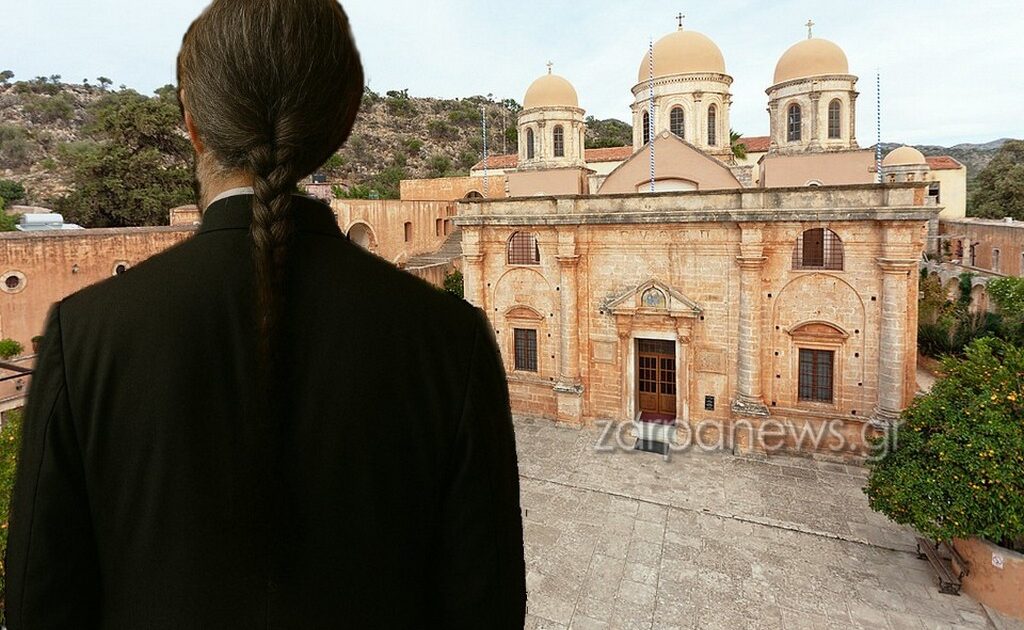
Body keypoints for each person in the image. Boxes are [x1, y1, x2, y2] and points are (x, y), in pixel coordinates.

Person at [3, 1, 526, 627]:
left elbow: (40, 602)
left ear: (193, 125)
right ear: (340, 122)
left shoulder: (84, 335)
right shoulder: (450, 342)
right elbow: (486, 605)